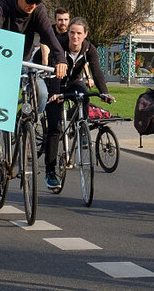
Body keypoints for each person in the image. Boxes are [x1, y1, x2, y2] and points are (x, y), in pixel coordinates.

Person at [0, 0, 68, 195]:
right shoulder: (3, 6)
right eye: (29, 0)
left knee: (42, 91)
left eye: (37, 1)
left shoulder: (38, 11)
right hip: (1, 64)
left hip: (25, 64)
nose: (33, 5)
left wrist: (60, 59)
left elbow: (49, 34)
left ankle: (25, 123)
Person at [43, 17, 114, 191]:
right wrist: (55, 94)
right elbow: (53, 70)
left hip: (73, 81)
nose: (75, 37)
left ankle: (80, 125)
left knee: (84, 95)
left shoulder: (89, 48)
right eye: (72, 32)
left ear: (85, 35)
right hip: (53, 82)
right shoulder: (58, 44)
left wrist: (104, 92)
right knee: (54, 128)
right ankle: (50, 172)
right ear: (68, 33)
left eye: (79, 33)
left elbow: (96, 71)